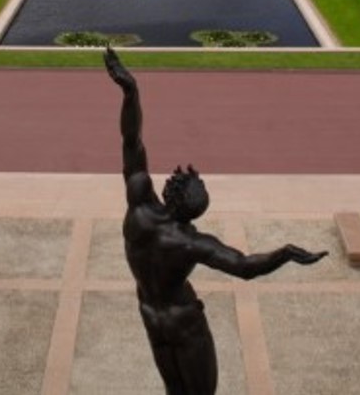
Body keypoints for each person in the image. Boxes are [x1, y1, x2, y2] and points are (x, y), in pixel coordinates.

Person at [103, 48, 326, 394]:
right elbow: (245, 266)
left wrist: (130, 91)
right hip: (184, 323)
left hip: (150, 315)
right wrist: (285, 253)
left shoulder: (139, 207)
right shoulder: (191, 243)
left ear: (171, 190)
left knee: (175, 391)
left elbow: (131, 141)